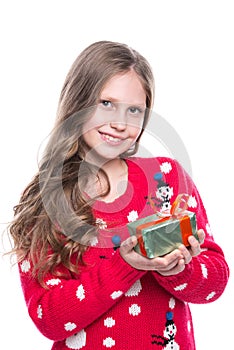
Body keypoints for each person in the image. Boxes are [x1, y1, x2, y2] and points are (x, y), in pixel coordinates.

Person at [9, 40, 229, 350]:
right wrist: (126, 265)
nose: (119, 124)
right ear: (78, 102)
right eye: (106, 103)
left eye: (134, 110)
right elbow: (49, 319)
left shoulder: (166, 177)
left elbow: (214, 283)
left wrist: (179, 269)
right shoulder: (48, 198)